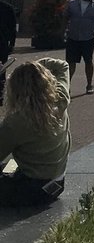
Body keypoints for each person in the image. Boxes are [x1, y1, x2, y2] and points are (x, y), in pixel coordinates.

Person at [0, 58, 70, 206]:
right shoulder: (60, 99)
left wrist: (25, 70)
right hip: (57, 183)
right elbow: (63, 65)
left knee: (6, 168)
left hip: (31, 190)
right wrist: (35, 67)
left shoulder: (16, 122)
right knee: (9, 166)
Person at [64, 0, 94, 94]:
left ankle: (89, 84)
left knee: (88, 61)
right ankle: (67, 85)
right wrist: (64, 31)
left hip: (88, 38)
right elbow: (65, 17)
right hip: (73, 37)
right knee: (71, 62)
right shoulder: (72, 4)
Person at [0, 0, 16, 106]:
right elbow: (13, 28)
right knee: (2, 69)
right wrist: (12, 43)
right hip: (2, 42)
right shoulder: (8, 8)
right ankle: (1, 94)